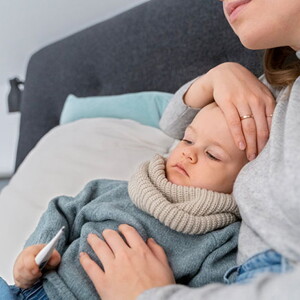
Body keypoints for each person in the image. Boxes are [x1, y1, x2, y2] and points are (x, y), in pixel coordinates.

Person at [78, 0, 300, 299]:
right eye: (188, 142)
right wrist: (218, 78)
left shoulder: (216, 241)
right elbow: (173, 126)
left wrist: (149, 295)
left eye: (212, 155)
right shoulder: (276, 89)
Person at [7, 102, 249, 300]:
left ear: (244, 179)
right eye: (187, 140)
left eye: (211, 155)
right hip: (37, 289)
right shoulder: (114, 190)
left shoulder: (223, 241)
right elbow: (61, 209)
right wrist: (35, 252)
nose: (188, 153)